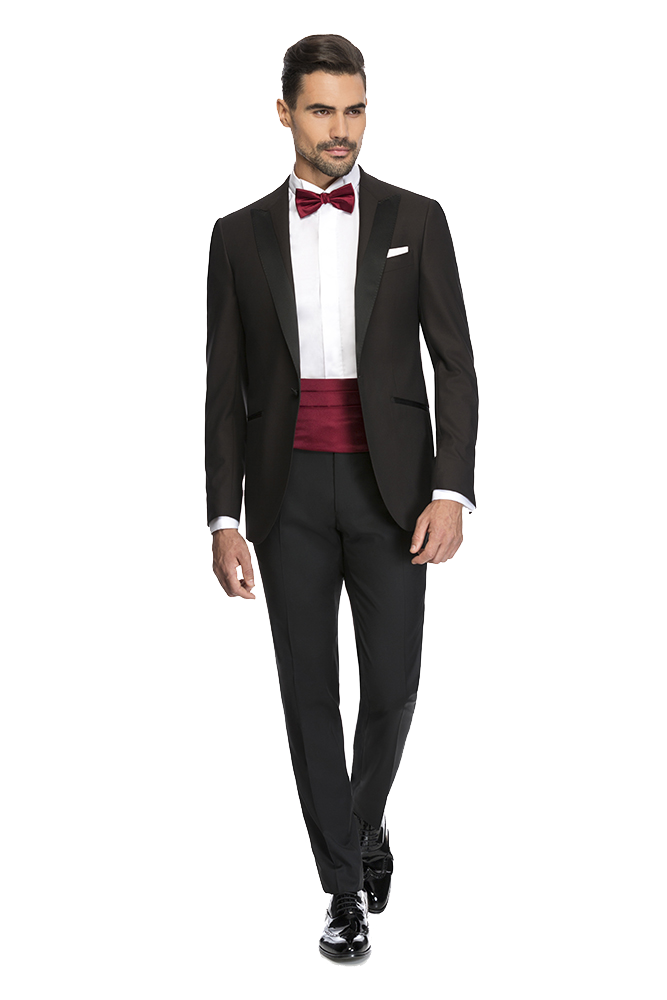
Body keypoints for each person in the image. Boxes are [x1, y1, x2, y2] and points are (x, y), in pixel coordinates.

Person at [205, 33, 478, 962]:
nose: (341, 130)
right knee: (308, 694)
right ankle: (341, 889)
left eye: (354, 109)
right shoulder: (236, 235)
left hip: (392, 492)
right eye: (322, 110)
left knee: (393, 687)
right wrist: (224, 516)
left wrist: (451, 489)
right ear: (284, 112)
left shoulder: (417, 218)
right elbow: (224, 388)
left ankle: (362, 822)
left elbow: (455, 366)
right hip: (285, 493)